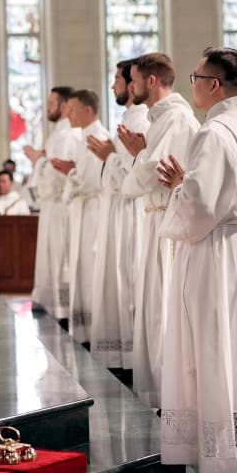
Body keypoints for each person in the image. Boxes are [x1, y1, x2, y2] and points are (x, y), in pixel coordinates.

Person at [157, 47, 237, 473]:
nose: (193, 85)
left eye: (195, 77)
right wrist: (188, 186)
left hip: (215, 251)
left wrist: (178, 190)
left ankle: (224, 468)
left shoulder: (214, 133)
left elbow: (201, 206)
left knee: (211, 347)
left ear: (213, 85)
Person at [121, 52, 200, 408]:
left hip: (168, 222)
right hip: (155, 218)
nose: (131, 86)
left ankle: (172, 396)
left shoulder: (177, 118)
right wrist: (140, 154)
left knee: (163, 309)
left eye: (134, 79)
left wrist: (138, 155)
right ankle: (158, 392)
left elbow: (152, 171)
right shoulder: (162, 119)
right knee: (153, 307)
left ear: (151, 81)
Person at [87, 59, 150, 370]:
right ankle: (121, 354)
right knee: (116, 281)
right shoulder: (128, 119)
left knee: (128, 281)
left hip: (130, 213)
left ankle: (132, 356)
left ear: (132, 84)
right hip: (116, 211)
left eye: (117, 80)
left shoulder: (142, 121)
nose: (113, 86)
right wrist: (109, 158)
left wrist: (109, 157)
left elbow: (134, 177)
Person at [52, 89, 110, 345]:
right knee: (80, 268)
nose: (69, 115)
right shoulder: (83, 137)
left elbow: (93, 180)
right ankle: (84, 331)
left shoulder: (100, 137)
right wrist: (73, 173)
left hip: (93, 211)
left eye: (73, 110)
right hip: (81, 210)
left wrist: (72, 173)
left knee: (90, 269)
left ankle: (95, 330)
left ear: (88, 110)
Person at [24, 86, 81, 320]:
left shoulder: (69, 135)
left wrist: (38, 160)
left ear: (64, 107)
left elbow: (61, 174)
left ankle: (63, 307)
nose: (47, 107)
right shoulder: (57, 134)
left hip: (61, 205)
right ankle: (48, 302)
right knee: (49, 255)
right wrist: (41, 159)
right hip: (51, 206)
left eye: (51, 103)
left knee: (60, 255)